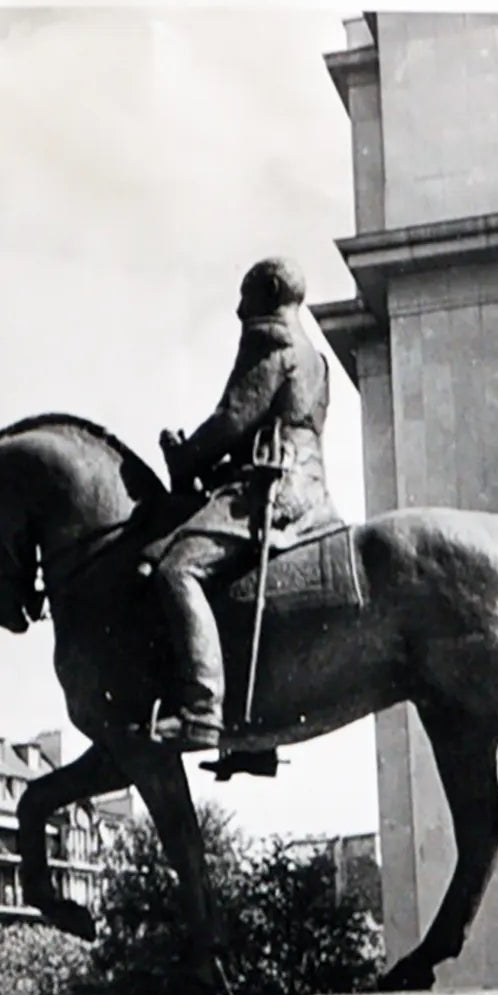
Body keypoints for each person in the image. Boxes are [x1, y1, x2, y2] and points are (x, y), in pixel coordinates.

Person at [149, 255, 339, 753]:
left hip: (271, 489)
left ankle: (202, 710)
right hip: (311, 487)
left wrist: (184, 455)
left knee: (177, 570)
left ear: (270, 290)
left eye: (245, 296)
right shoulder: (315, 356)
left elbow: (233, 418)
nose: (238, 310)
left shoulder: (270, 340)